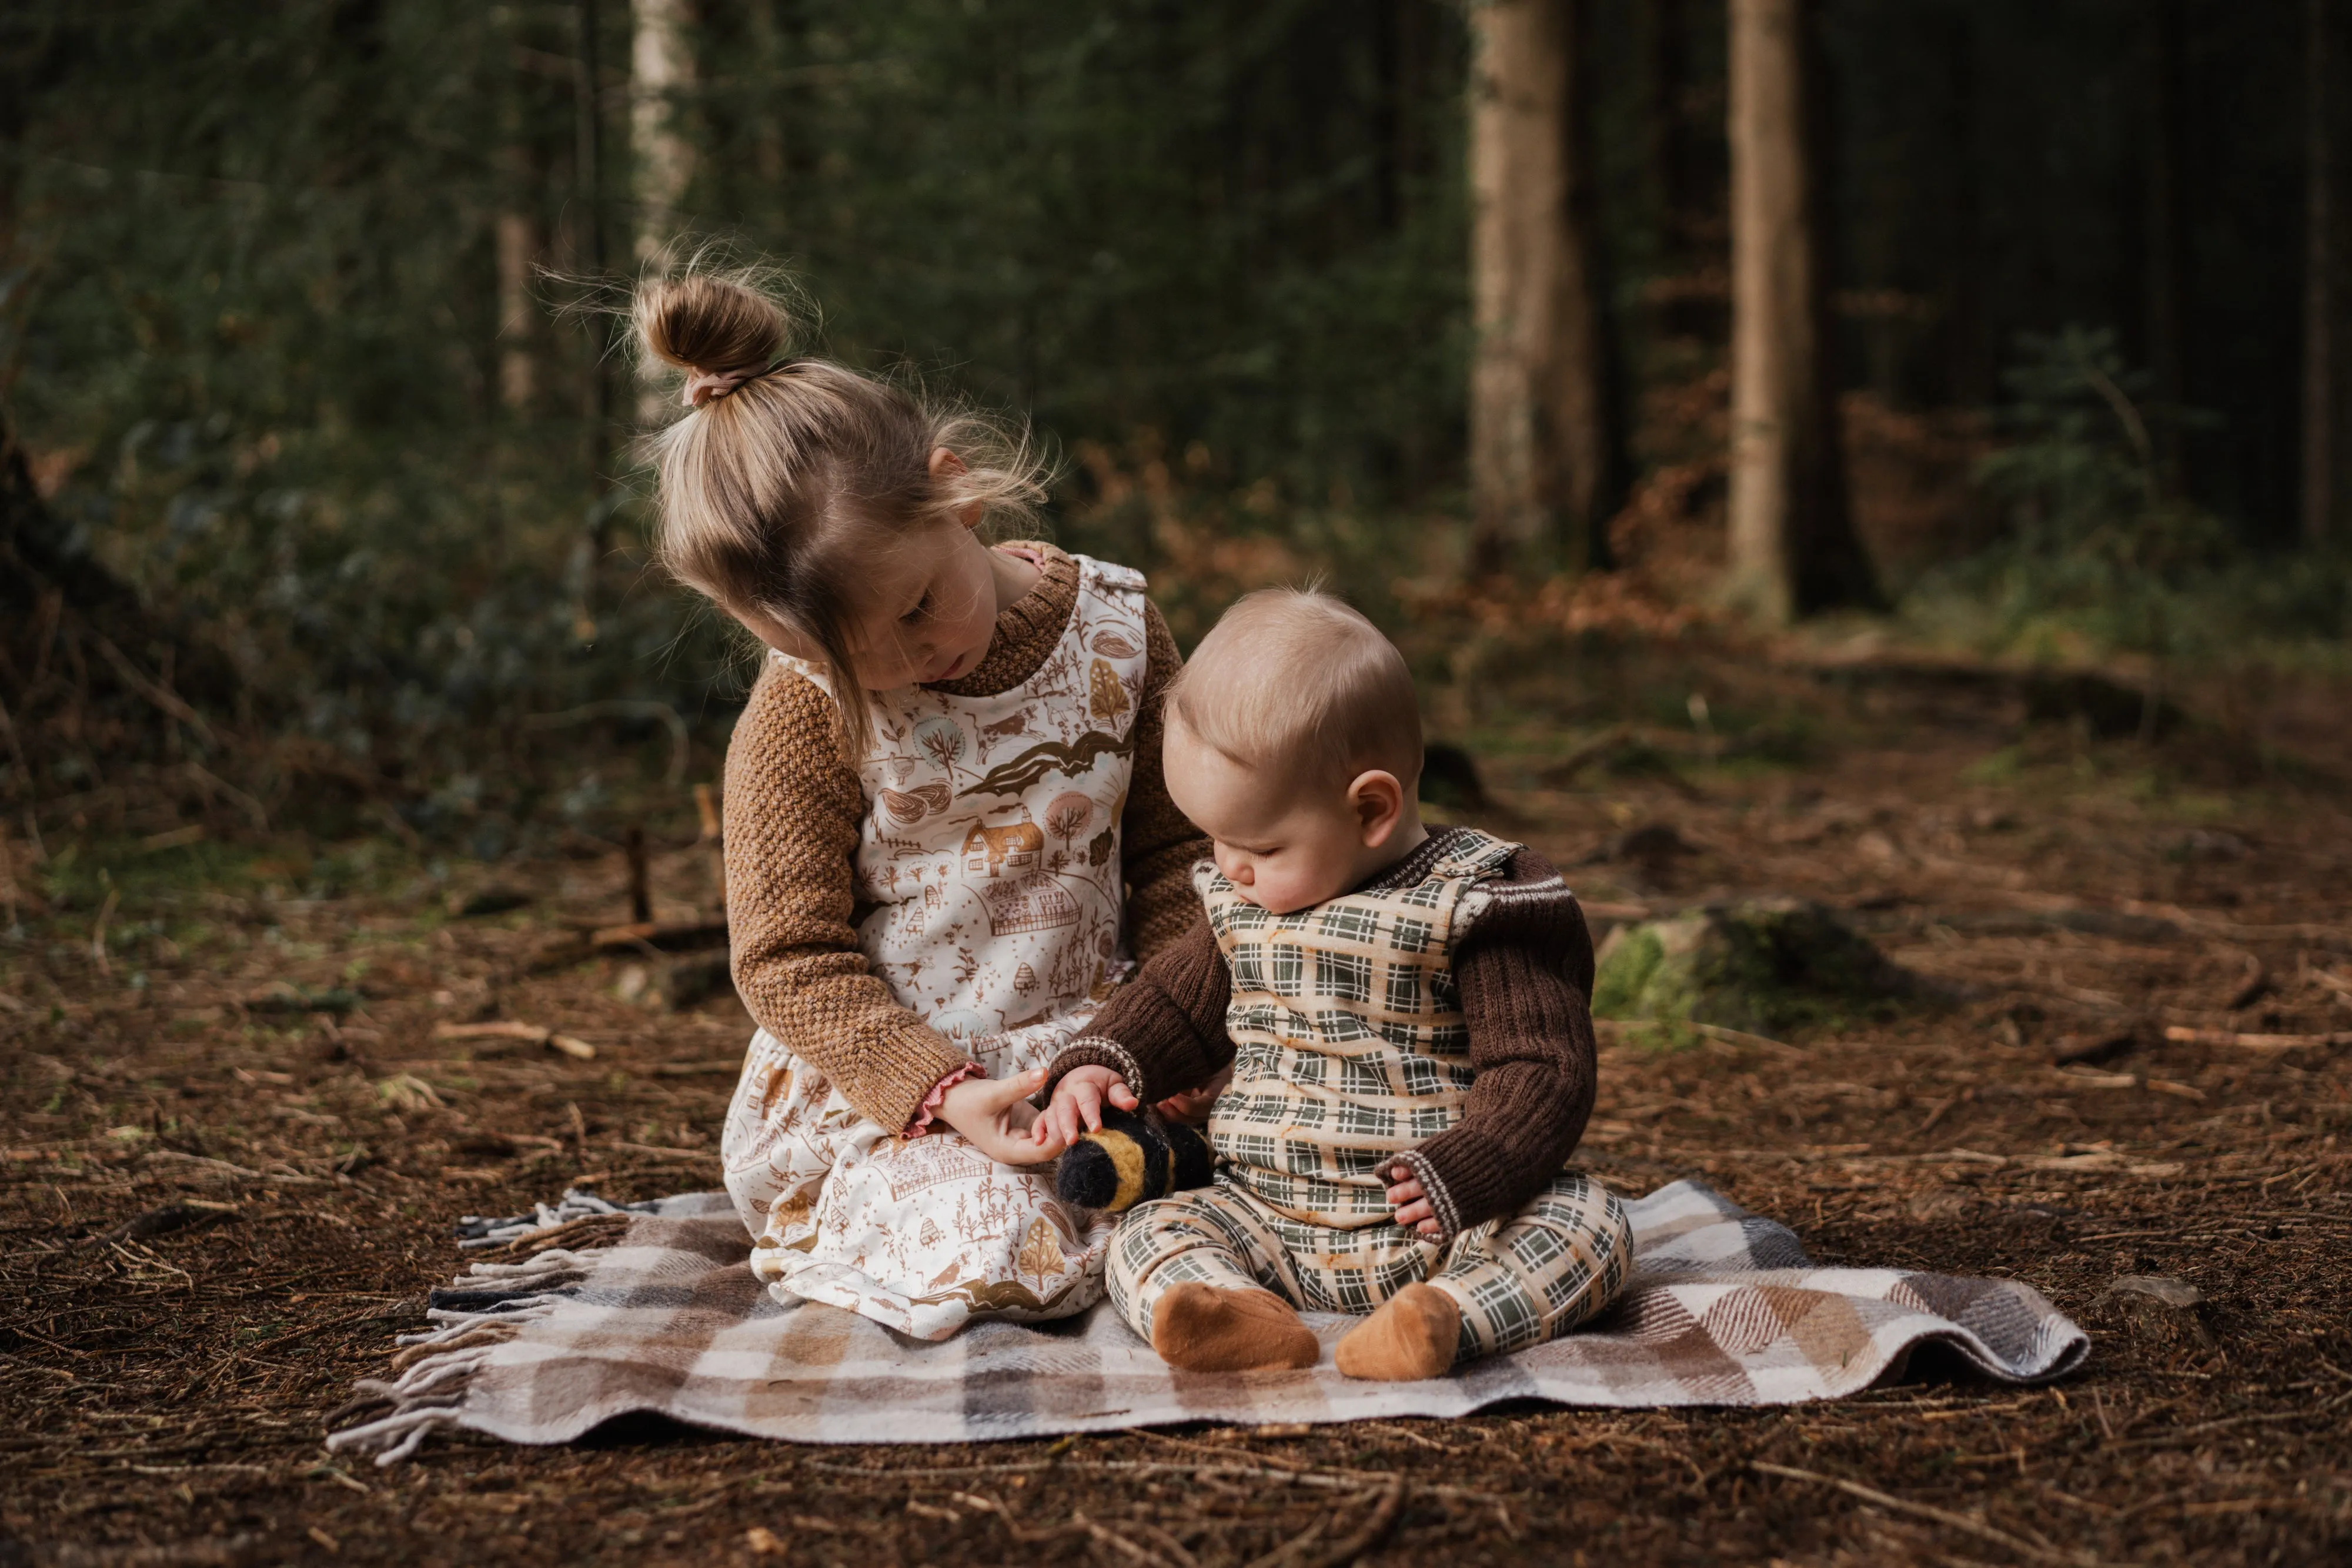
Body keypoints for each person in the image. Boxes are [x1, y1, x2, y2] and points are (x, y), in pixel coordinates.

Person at [634, 264, 1207, 1339]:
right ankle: (1111, 1255)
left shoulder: (1119, 634)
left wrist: (1167, 1037)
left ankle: (1185, 1245)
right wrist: (938, 1090)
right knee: (998, 1231)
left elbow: (1176, 856)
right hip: (899, 1087)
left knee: (1276, 1154)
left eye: (919, 608)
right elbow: (784, 953)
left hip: (1100, 1037)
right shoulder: (804, 710)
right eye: (856, 660)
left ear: (957, 490)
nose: (911, 664)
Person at [1034, 589, 1632, 1380]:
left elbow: (1541, 1066)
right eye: (1217, 838)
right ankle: (1229, 1312)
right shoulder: (1243, 906)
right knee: (1148, 1232)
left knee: (1590, 1225)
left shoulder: (1481, 901)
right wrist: (1101, 1060)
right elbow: (1176, 1002)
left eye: (1259, 843)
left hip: (1437, 1220)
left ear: (1372, 808)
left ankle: (1447, 1319)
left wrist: (1474, 1164)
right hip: (1266, 1213)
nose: (1229, 865)